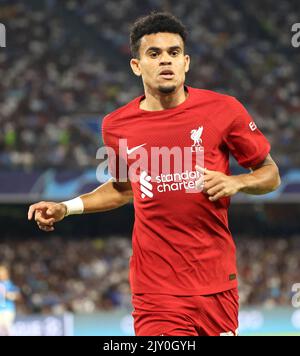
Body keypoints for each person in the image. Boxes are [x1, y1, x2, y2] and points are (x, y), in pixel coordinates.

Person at [28, 12, 281, 336]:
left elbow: (270, 174)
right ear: (137, 66)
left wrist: (238, 181)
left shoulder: (224, 110)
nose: (166, 60)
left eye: (174, 53)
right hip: (155, 290)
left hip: (215, 284)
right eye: (154, 53)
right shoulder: (117, 126)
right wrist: (67, 207)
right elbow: (122, 189)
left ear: (186, 62)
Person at [0, 265, 20, 336]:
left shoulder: (9, 284)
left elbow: (17, 295)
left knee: (8, 329)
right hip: (0, 310)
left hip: (7, 310)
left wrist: (8, 295)